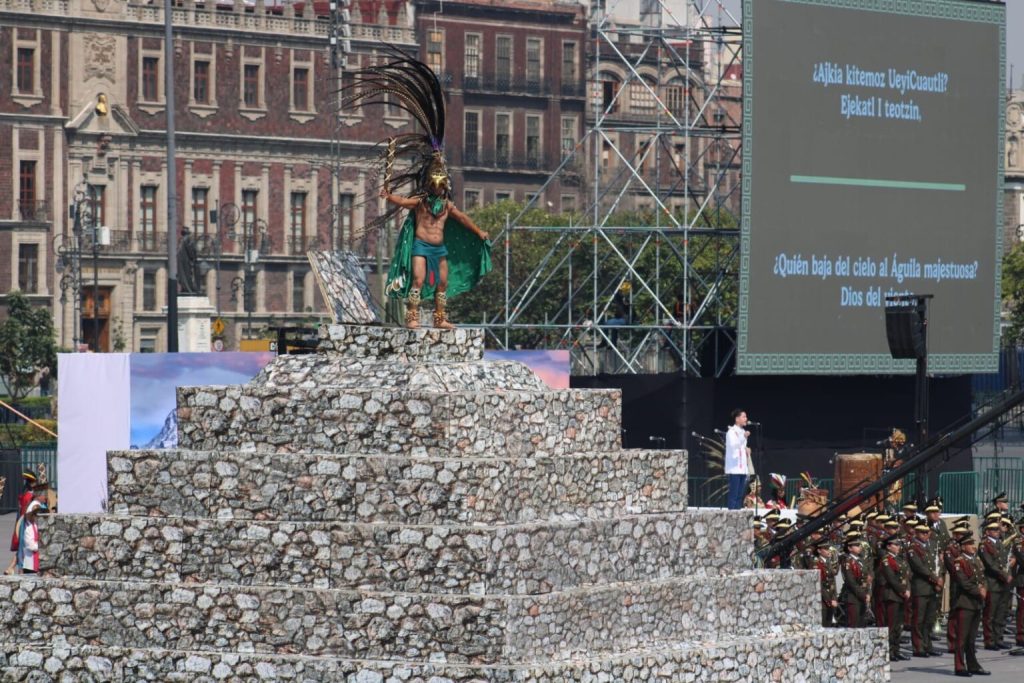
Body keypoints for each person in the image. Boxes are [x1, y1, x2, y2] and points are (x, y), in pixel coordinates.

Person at [342, 47, 492, 330]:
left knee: (443, 282)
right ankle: (412, 316)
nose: (437, 187)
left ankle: (440, 318)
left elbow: (464, 219)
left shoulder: (446, 206)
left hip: (440, 248)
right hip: (422, 246)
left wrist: (479, 232)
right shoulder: (421, 203)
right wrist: (388, 196)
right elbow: (402, 202)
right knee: (419, 279)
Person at [951, 534, 990, 677]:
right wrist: (979, 591)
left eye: (973, 543)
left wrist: (984, 588)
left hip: (976, 603)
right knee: (961, 638)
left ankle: (973, 665)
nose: (973, 546)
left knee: (971, 638)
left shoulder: (977, 560)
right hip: (965, 603)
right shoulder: (959, 562)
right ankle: (959, 666)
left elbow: (983, 578)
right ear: (962, 547)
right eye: (969, 544)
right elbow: (963, 583)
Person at [907, 522, 943, 656]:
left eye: (927, 532)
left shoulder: (932, 545)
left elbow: (938, 563)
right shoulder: (913, 548)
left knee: (929, 619)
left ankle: (928, 645)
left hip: (932, 587)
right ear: (916, 533)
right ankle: (918, 647)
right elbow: (919, 567)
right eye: (923, 532)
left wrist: (939, 578)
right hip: (921, 587)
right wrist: (935, 578)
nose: (926, 535)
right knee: (919, 619)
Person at [980, 518, 1013, 650]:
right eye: (994, 530)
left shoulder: (1000, 543)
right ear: (987, 531)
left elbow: (1005, 562)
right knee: (990, 613)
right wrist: (1005, 575)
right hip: (993, 582)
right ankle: (989, 640)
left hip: (1003, 583)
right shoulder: (984, 545)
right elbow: (990, 564)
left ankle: (998, 638)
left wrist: (1008, 573)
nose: (997, 532)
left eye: (997, 529)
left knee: (1001, 612)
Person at [879, 534, 911, 661]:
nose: (898, 547)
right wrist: (903, 590)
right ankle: (889, 651)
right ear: (888, 547)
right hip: (892, 595)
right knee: (891, 626)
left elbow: (907, 576)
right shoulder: (887, 560)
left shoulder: (900, 559)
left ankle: (896, 649)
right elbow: (891, 579)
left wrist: (907, 588)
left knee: (899, 625)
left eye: (898, 545)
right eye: (895, 545)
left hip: (901, 595)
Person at [5, 472, 37, 575]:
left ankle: (12, 567)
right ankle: (17, 569)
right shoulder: (29, 496)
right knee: (23, 548)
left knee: (22, 548)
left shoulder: (26, 494)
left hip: (23, 522)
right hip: (27, 524)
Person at [841, 532, 871, 627]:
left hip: (863, 596)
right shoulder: (848, 561)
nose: (860, 547)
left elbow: (867, 579)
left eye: (859, 545)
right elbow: (851, 582)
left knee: (862, 624)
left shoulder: (861, 561)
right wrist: (863, 595)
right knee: (853, 624)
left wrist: (868, 593)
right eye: (856, 545)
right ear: (849, 548)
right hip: (853, 597)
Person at [724, 409, 750, 510]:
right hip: (734, 468)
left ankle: (738, 515)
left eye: (746, 417)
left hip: (742, 468)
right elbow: (733, 445)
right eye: (744, 417)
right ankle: (731, 515)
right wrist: (743, 437)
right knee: (733, 495)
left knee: (740, 495)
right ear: (737, 419)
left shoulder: (742, 432)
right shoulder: (731, 432)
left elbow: (741, 447)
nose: (746, 419)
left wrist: (747, 450)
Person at [16, 499, 46, 574]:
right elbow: (31, 546)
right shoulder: (28, 529)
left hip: (40, 563)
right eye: (37, 515)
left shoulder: (40, 527)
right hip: (30, 565)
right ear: (33, 516)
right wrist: (42, 546)